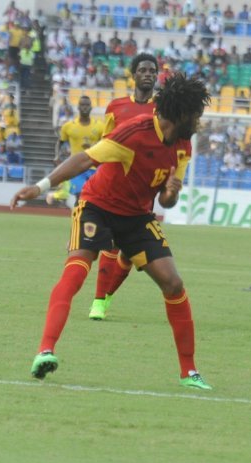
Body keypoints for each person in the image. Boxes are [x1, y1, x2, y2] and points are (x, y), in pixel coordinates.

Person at [10, 73, 213, 390]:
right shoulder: (135, 133)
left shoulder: (183, 146)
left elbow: (166, 200)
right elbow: (84, 159)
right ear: (182, 114)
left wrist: (172, 193)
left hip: (137, 217)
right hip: (98, 206)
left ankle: (189, 372)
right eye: (196, 115)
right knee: (77, 271)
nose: (199, 122)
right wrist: (40, 187)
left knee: (173, 283)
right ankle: (45, 351)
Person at [89, 52, 159, 321]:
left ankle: (107, 296)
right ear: (133, 74)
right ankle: (98, 301)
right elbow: (105, 144)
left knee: (129, 254)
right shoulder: (116, 107)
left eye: (152, 71)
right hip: (114, 188)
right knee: (110, 245)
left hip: (143, 191)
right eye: (143, 70)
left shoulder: (162, 108)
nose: (148, 74)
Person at [48, 95, 104, 206]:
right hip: (76, 168)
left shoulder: (100, 126)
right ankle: (77, 216)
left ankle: (85, 216)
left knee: (94, 199)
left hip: (94, 168)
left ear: (91, 107)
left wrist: (93, 147)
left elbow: (105, 144)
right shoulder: (68, 126)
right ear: (78, 107)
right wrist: (57, 156)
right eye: (82, 105)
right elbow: (60, 142)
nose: (85, 107)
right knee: (80, 195)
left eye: (87, 105)